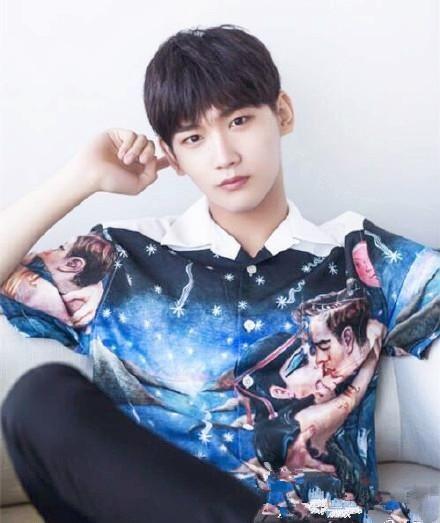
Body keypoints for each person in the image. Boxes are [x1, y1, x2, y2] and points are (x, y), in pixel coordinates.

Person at [0, 23, 438, 523]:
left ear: (283, 113)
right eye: (194, 137)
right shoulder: (121, 259)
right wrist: (81, 179)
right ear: (173, 157)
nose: (224, 156)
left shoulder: (363, 256)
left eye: (240, 121)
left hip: (318, 513)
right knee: (39, 399)